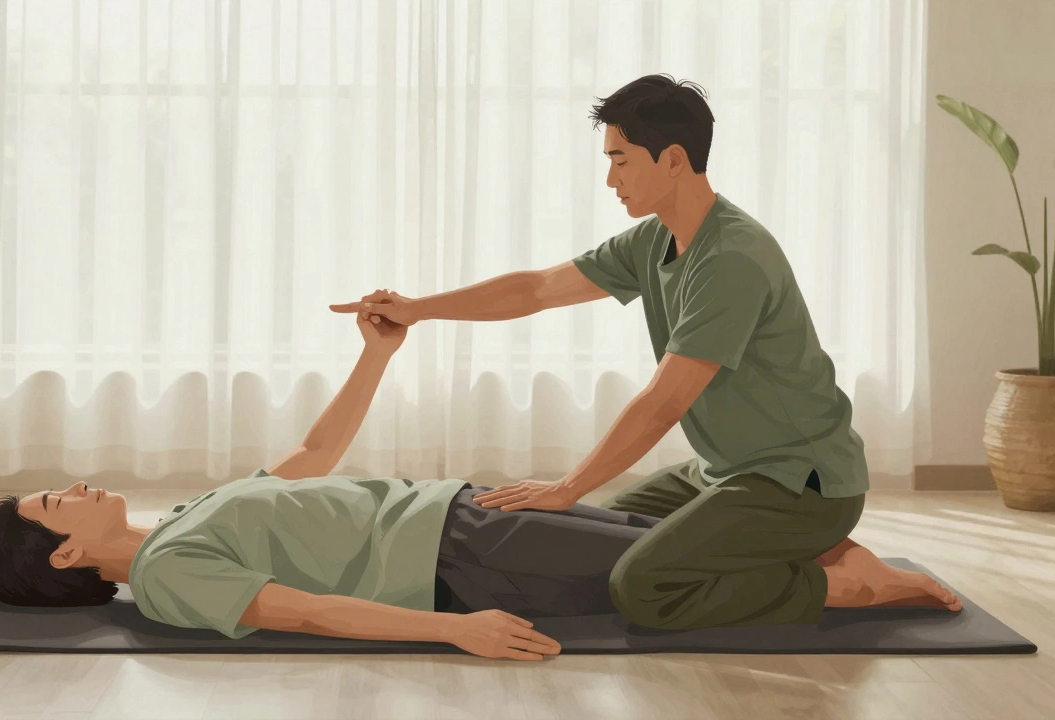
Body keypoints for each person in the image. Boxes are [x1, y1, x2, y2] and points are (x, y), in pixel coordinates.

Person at [330, 74, 963, 631]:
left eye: (622, 160)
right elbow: (537, 288)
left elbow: (664, 401)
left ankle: (850, 583)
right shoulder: (655, 239)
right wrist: (417, 309)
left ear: (675, 160)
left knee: (641, 586)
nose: (610, 178)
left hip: (799, 483)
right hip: (725, 472)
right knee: (596, 542)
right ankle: (817, 551)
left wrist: (566, 486)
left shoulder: (732, 258)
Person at [0, 308, 721, 662]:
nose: (74, 485)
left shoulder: (183, 517)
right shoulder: (168, 574)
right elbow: (304, 613)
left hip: (460, 510)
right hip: (458, 561)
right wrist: (454, 629)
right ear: (66, 556)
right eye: (55, 502)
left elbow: (316, 449)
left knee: (678, 540)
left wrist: (377, 353)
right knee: (684, 560)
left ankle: (808, 547)